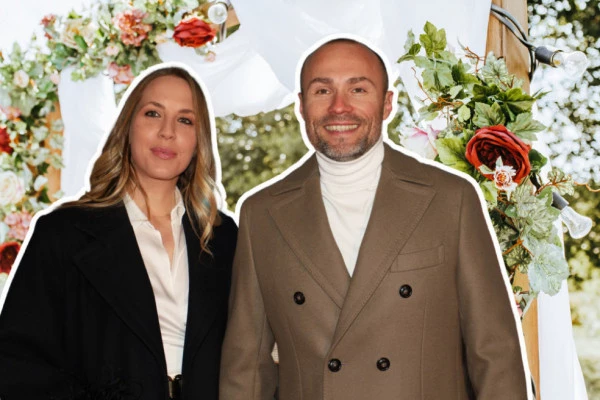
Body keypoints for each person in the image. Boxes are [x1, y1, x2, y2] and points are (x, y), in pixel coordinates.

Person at [219, 37, 531, 399]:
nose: (339, 107)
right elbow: (246, 368)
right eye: (322, 90)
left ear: (387, 104)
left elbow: (495, 353)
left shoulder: (451, 198)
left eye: (358, 89)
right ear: (301, 106)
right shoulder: (261, 213)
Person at [0, 62, 237, 400]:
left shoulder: (225, 237)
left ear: (199, 140)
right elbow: (17, 364)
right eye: (153, 114)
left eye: (185, 120)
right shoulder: (62, 233)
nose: (167, 132)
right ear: (127, 127)